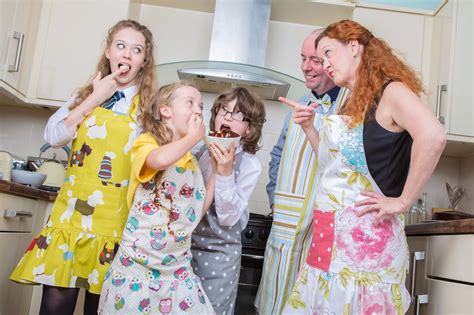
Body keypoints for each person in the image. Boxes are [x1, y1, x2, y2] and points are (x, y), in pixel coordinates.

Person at [282, 19, 446, 314]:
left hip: (365, 249)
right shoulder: (351, 100)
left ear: (354, 47)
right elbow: (335, 167)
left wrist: (404, 200)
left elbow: (433, 136)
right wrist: (309, 128)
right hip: (328, 242)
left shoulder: (392, 92)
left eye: (328, 52)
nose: (324, 63)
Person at [10, 20, 157, 315]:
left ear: (143, 62)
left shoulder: (149, 109)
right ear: (108, 52)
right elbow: (53, 136)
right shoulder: (84, 96)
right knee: (54, 308)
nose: (127, 54)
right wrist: (96, 97)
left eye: (136, 50)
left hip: (117, 226)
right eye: (121, 46)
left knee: (99, 310)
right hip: (70, 222)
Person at [98, 81, 216, 314]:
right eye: (190, 103)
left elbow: (197, 210)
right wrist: (193, 139)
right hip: (138, 266)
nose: (198, 111)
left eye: (201, 106)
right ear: (166, 110)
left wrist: (220, 171)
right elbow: (158, 161)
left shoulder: (191, 161)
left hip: (177, 268)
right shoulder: (147, 142)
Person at [256, 29, 349, 315]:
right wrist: (276, 202)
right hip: (286, 221)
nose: (306, 66)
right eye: (303, 58)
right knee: (276, 295)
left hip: (324, 226)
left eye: (315, 60)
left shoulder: (348, 105)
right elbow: (277, 155)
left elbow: (348, 166)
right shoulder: (298, 103)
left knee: (309, 299)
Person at [191, 87, 266, 315]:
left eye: (237, 114)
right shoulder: (198, 150)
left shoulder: (249, 164)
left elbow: (228, 216)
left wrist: (224, 173)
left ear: (249, 129)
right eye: (223, 110)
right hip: (185, 246)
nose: (227, 117)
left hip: (220, 254)